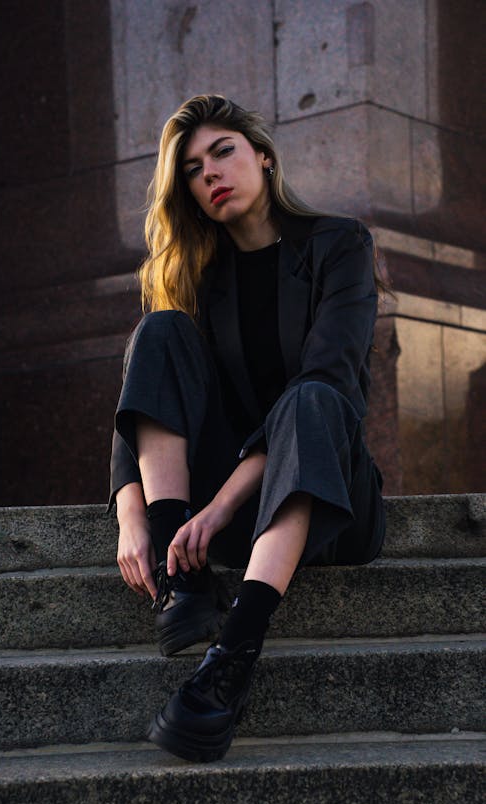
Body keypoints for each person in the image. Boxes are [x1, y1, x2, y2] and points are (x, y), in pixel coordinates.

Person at [109, 94, 387, 763]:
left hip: (329, 503)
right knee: (160, 328)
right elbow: (146, 396)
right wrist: (131, 516)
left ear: (262, 154)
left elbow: (332, 378)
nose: (210, 174)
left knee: (313, 395)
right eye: (193, 169)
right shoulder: (205, 277)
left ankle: (231, 657)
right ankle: (185, 585)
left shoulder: (339, 245)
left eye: (223, 151)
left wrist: (222, 504)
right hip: (219, 517)